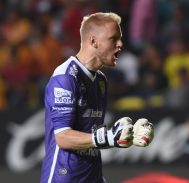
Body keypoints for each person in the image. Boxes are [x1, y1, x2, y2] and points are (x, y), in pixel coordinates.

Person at [40, 12, 154, 183]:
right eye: (113, 39)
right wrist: (109, 136)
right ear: (93, 41)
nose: (120, 44)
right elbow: (63, 137)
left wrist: (125, 137)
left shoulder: (100, 81)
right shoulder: (65, 78)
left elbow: (91, 139)